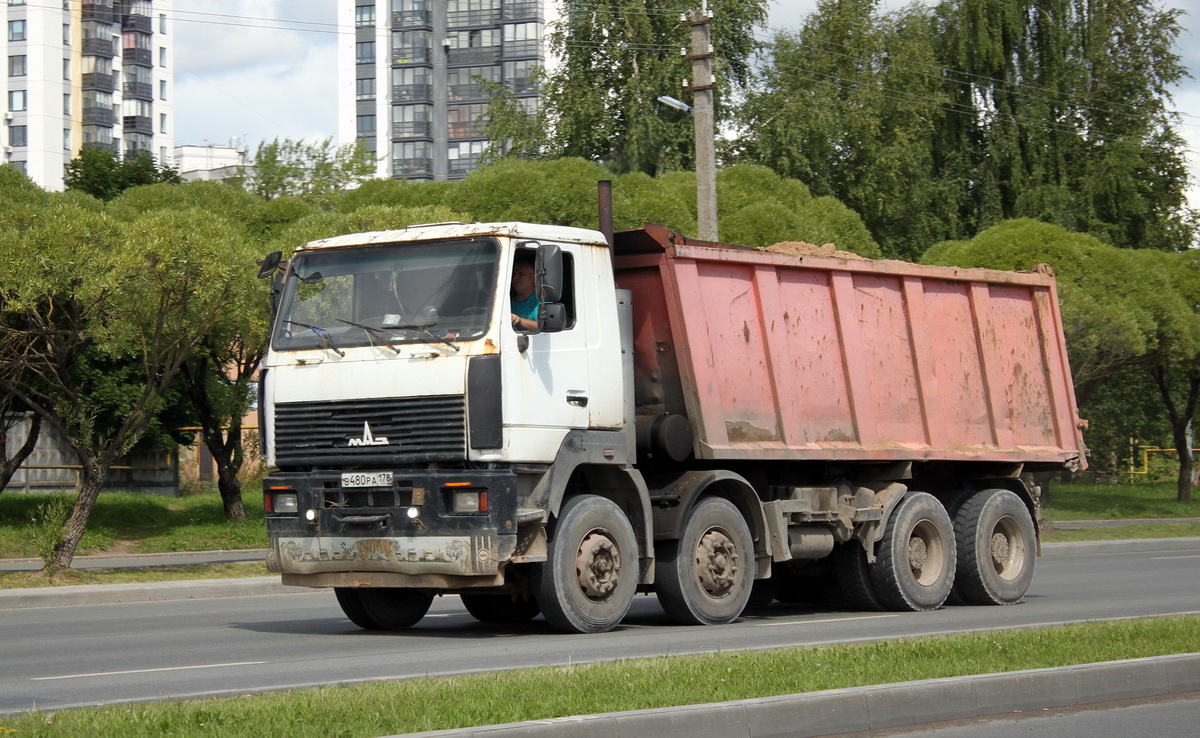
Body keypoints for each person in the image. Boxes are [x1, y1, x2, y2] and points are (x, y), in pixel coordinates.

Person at [510, 252, 539, 331]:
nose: (515, 277)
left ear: (534, 278)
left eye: (521, 274)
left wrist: (519, 321)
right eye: (514, 274)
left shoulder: (542, 303)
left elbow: (543, 326)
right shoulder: (507, 303)